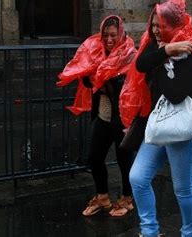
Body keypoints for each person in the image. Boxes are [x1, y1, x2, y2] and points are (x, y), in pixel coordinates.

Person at [119, 0, 192, 236]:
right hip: (160, 126)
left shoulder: (191, 55)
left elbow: (175, 94)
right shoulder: (157, 47)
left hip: (185, 130)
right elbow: (140, 64)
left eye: (161, 25)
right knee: (137, 178)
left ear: (174, 24)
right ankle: (150, 232)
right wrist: (166, 51)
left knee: (183, 188)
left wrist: (160, 64)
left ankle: (189, 233)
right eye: (153, 25)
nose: (156, 31)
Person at [56, 15, 137, 217]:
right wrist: (87, 71)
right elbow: (89, 84)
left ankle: (127, 199)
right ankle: (102, 197)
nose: (109, 40)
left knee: (124, 159)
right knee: (94, 157)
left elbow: (127, 89)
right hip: (103, 115)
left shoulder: (130, 55)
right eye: (105, 35)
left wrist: (104, 77)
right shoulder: (97, 54)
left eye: (113, 35)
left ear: (121, 34)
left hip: (123, 118)